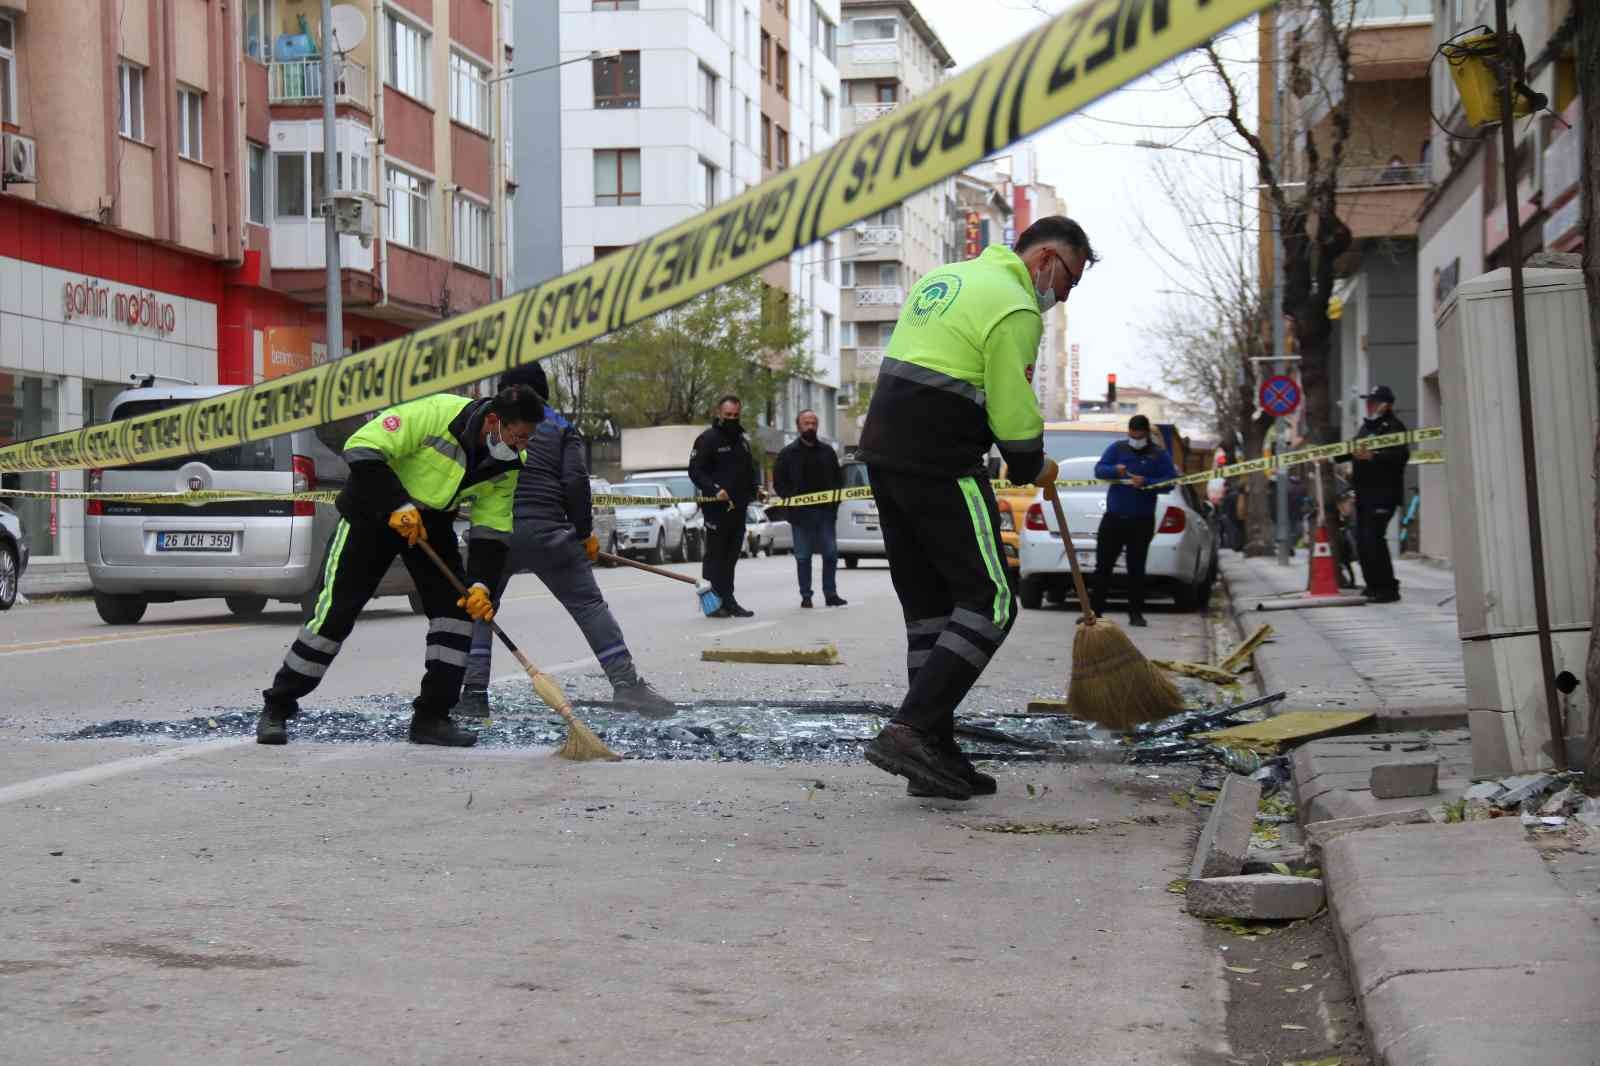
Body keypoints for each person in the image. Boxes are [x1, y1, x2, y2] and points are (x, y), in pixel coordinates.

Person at [854, 215, 1093, 800]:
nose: (1059, 299)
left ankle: (932, 752)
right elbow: (1010, 405)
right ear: (1045, 262)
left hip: (885, 457)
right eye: (1067, 285)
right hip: (940, 459)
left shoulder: (948, 279)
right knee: (991, 601)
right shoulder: (1014, 306)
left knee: (931, 612)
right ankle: (911, 732)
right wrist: (1031, 460)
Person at [256, 386, 544, 747]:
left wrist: (482, 584)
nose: (520, 446)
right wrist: (396, 503)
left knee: (455, 614)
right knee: (334, 616)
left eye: (526, 439)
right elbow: (361, 447)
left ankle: (432, 717)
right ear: (492, 421)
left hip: (432, 524)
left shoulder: (510, 462)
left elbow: (493, 525)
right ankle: (278, 707)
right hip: (373, 513)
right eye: (517, 436)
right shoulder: (436, 414)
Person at [457, 363, 677, 720]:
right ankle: (627, 686)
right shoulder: (559, 426)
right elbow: (575, 481)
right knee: (589, 606)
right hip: (550, 535)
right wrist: (583, 531)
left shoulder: (486, 422)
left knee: (480, 607)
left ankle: (474, 695)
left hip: (493, 535)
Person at [1091, 414, 1179, 627]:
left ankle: (1136, 614)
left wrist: (1147, 481)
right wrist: (1115, 470)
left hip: (1142, 520)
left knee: (1136, 568)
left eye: (1139, 435)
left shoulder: (1158, 455)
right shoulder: (1118, 449)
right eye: (1132, 434)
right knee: (1103, 567)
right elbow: (1099, 469)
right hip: (1114, 518)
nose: (1135, 438)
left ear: (1146, 434)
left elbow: (1170, 481)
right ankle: (1094, 612)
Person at [689, 394, 762, 618]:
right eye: (728, 415)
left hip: (738, 509)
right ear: (719, 413)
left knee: (730, 557)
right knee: (715, 557)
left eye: (735, 415)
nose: (731, 418)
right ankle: (712, 603)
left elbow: (750, 471)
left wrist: (755, 489)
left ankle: (728, 600)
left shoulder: (742, 442)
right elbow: (695, 471)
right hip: (715, 509)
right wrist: (713, 489)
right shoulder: (707, 440)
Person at [1339, 384, 1409, 603]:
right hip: (1363, 493)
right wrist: (1330, 456)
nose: (1369, 405)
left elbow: (1400, 457)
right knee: (1362, 541)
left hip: (1382, 494)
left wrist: (1374, 457)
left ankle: (1387, 588)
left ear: (1385, 405)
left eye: (1373, 402)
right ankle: (1372, 585)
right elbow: (1351, 450)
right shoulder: (1367, 427)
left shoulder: (1394, 427)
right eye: (1368, 402)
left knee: (1373, 540)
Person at [773, 409, 846, 609]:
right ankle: (806, 596)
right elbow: (779, 483)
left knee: (830, 554)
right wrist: (790, 500)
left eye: (813, 423)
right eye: (806, 423)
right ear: (798, 426)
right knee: (803, 557)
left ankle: (831, 594)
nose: (810, 426)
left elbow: (839, 481)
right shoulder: (788, 454)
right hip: (800, 516)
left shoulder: (827, 452)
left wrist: (834, 505)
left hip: (825, 513)